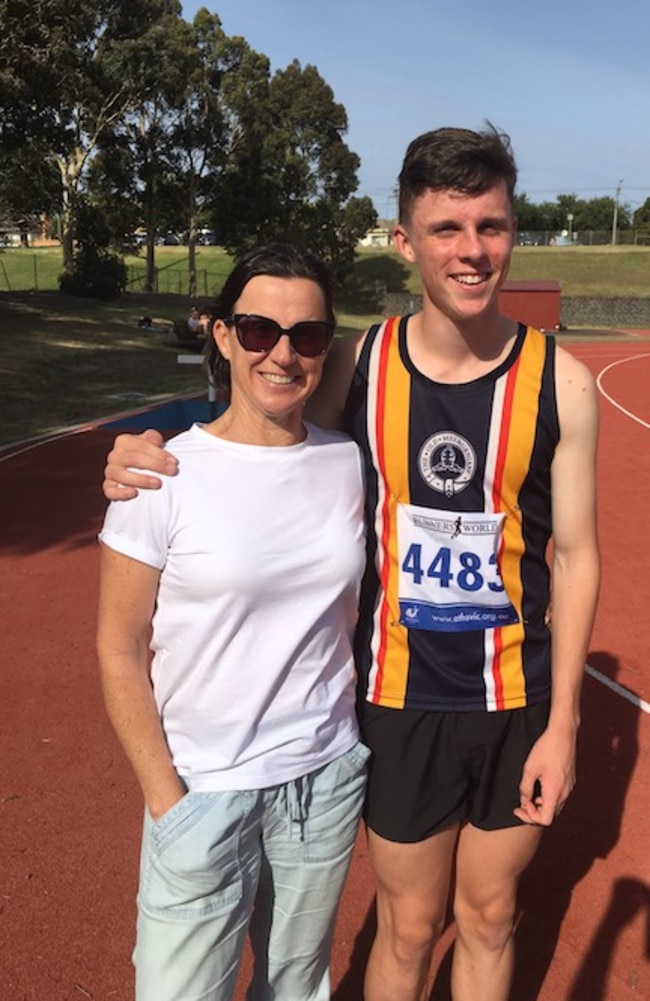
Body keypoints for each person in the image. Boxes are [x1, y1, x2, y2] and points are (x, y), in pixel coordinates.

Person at [102, 125, 600, 1001]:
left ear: (513, 230)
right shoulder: (357, 364)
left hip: (513, 697)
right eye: (447, 228)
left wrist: (564, 725)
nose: (472, 249)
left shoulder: (559, 382)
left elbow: (582, 553)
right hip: (397, 698)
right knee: (409, 926)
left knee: (490, 915)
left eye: (490, 226)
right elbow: (259, 410)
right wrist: (141, 446)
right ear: (405, 239)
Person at [97, 243, 370, 1001]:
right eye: (257, 330)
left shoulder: (349, 461)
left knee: (294, 987)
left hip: (321, 779)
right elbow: (118, 647)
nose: (282, 354)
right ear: (220, 335)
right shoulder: (161, 474)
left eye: (307, 335)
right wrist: (166, 798)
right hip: (202, 789)